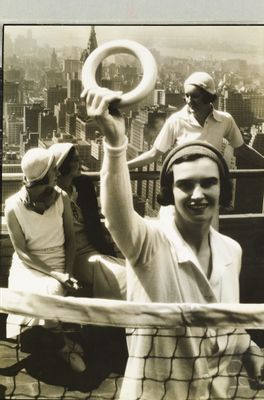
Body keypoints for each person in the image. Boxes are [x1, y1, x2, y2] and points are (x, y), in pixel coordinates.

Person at [82, 86, 264, 399]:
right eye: (185, 185)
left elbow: (221, 322)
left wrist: (249, 346)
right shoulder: (148, 243)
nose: (197, 194)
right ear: (169, 192)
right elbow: (116, 215)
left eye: (209, 183)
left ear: (223, 189)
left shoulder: (232, 252)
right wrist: (115, 145)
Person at [5, 147, 86, 372]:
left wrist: (66, 272)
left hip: (57, 261)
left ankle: (59, 343)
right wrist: (57, 275)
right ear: (43, 177)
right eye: (53, 170)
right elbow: (22, 252)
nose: (57, 173)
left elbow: (71, 241)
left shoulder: (62, 197)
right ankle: (63, 346)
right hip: (27, 265)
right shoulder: (12, 206)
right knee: (37, 295)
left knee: (49, 295)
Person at [127, 71, 264, 170]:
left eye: (195, 96)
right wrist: (124, 167)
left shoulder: (225, 120)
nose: (189, 101)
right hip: (183, 184)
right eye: (187, 96)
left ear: (208, 97)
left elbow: (242, 148)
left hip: (209, 187)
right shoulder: (176, 120)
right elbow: (154, 154)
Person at [48, 142, 126, 301]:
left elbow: (94, 226)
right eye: (75, 160)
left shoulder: (83, 185)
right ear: (63, 165)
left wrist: (107, 250)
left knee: (128, 270)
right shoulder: (50, 194)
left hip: (91, 249)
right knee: (119, 274)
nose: (80, 164)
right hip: (71, 255)